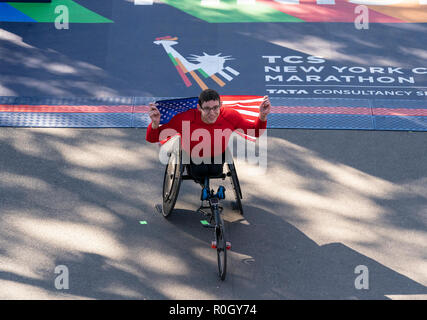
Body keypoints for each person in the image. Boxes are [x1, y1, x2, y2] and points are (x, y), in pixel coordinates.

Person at [146, 89, 271, 180]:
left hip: (217, 155)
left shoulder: (230, 116)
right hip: (192, 157)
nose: (212, 113)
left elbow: (255, 132)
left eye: (215, 108)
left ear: (221, 106)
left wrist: (263, 116)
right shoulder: (185, 119)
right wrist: (155, 123)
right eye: (207, 108)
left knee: (215, 172)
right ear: (199, 107)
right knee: (199, 173)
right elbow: (152, 138)